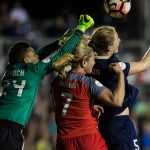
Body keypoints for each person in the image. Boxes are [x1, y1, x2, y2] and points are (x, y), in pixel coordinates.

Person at [0, 14, 94, 150]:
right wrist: (81, 28)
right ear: (27, 60)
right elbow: (63, 53)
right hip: (9, 129)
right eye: (33, 55)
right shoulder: (33, 71)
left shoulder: (10, 69)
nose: (37, 56)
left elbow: (41, 53)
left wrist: (60, 41)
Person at [51, 35, 125, 150]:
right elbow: (117, 101)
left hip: (64, 142)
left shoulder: (57, 80)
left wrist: (88, 108)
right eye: (93, 60)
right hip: (88, 139)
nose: (94, 63)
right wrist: (121, 74)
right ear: (84, 62)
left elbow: (59, 107)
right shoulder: (87, 82)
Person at [88, 25, 150, 150]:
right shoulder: (115, 66)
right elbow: (144, 65)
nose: (120, 40)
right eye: (117, 38)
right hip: (120, 125)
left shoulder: (89, 63)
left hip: (101, 125)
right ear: (109, 47)